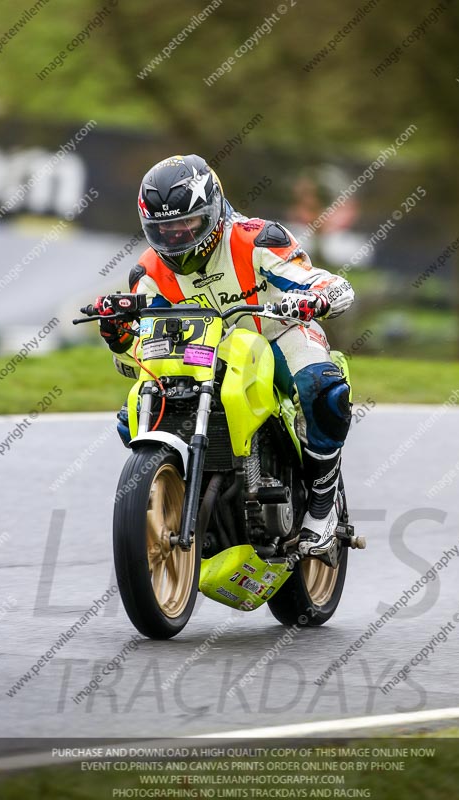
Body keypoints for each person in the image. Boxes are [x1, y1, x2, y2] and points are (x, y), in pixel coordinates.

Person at [94, 154, 355, 562]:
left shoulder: (257, 239)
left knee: (321, 387)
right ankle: (180, 496)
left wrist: (315, 297)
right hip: (201, 357)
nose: (176, 237)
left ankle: (320, 506)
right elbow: (139, 357)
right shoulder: (147, 272)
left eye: (186, 225)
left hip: (275, 336)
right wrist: (117, 333)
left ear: (213, 211)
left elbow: (325, 282)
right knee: (133, 418)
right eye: (164, 229)